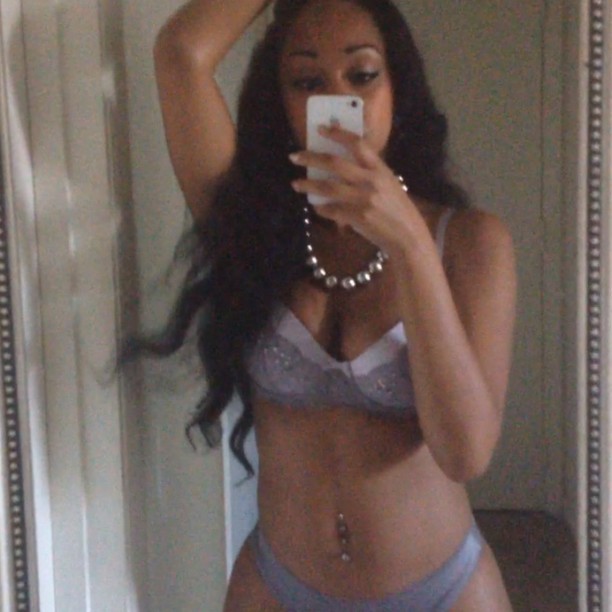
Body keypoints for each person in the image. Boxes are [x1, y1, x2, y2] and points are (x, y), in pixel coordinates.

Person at [152, 0, 517, 609]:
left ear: (398, 88)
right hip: (278, 585)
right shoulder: (250, 224)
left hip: (442, 591)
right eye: (306, 81)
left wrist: (407, 241)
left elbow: (465, 452)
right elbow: (180, 54)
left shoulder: (470, 242)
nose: (338, 98)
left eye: (363, 75)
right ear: (281, 103)